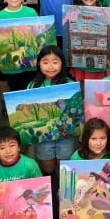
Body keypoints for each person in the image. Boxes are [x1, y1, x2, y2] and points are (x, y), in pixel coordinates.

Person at [27, 45, 76, 175]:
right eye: (45, 62)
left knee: (64, 166)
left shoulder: (69, 84)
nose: (50, 66)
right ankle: (51, 184)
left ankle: (61, 187)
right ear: (39, 64)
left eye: (55, 62)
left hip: (65, 135)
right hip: (44, 137)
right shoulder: (33, 85)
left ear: (62, 64)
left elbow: (75, 110)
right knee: (47, 167)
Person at [0, 0, 38, 92]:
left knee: (31, 91)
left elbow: (36, 35)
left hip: (31, 64)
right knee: (15, 90)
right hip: (11, 68)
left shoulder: (31, 12)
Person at [68, 0, 108, 83]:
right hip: (79, 63)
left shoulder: (105, 14)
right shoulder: (74, 13)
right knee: (81, 93)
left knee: (97, 93)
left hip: (98, 64)